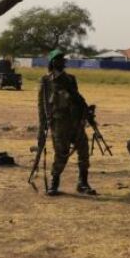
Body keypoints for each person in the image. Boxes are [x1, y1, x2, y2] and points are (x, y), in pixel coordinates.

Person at [37, 49, 96, 196]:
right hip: (59, 123)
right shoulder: (46, 80)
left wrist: (87, 113)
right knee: (61, 153)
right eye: (58, 59)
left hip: (76, 122)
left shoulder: (71, 79)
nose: (62, 62)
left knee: (83, 150)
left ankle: (83, 183)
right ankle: (54, 183)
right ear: (52, 62)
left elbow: (77, 98)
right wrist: (43, 125)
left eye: (63, 59)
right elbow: (42, 104)